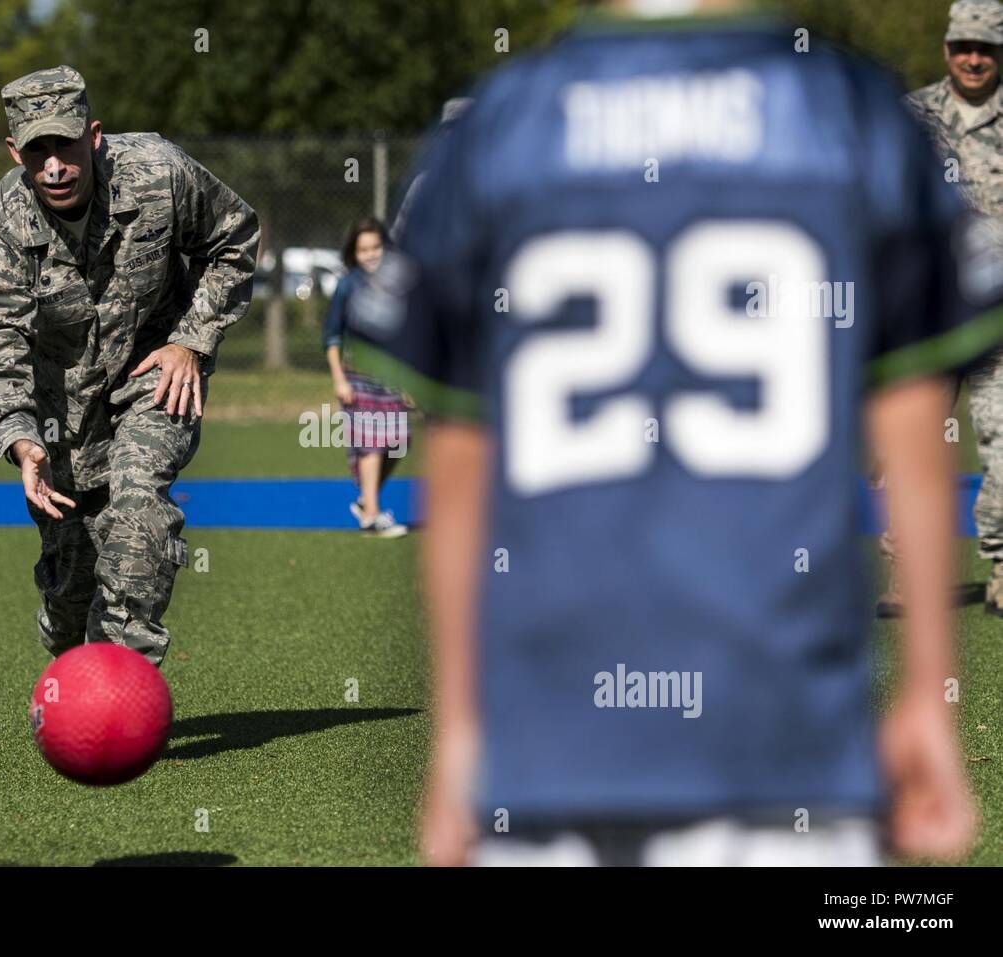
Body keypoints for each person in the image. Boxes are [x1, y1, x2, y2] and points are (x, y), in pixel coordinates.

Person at [351, 0, 990, 865]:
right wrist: (926, 691)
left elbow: (463, 455)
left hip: (554, 734)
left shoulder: (504, 122)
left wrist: (461, 726)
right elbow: (915, 415)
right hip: (789, 732)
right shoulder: (850, 108)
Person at [0, 66, 258, 664]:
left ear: (93, 135)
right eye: (36, 153)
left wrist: (192, 341)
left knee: (139, 508)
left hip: (154, 380)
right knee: (73, 584)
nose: (53, 168)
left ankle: (123, 676)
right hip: (59, 417)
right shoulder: (3, 229)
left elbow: (235, 239)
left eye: (64, 146)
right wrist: (18, 440)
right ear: (15, 152)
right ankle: (74, 653)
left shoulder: (160, 172)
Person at [891, 0, 1003, 617]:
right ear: (946, 48)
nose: (973, 57)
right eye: (964, 45)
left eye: (986, 48)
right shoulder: (911, 117)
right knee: (910, 445)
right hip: (929, 312)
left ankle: (1002, 567)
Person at [323, 218, 410, 538]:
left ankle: (365, 500)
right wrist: (338, 379)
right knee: (372, 444)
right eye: (364, 249)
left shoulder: (396, 286)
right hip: (357, 376)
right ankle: (371, 516)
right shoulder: (348, 286)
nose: (371, 255)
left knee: (398, 442)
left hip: (391, 378)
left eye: (376, 248)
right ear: (353, 252)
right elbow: (331, 336)